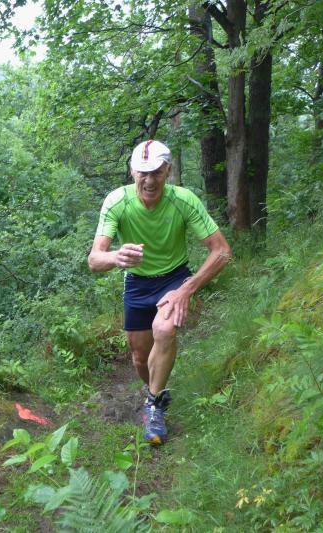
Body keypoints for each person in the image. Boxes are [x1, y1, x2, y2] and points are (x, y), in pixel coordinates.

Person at [87, 139, 232, 445]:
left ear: (168, 170)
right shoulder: (117, 201)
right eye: (143, 172)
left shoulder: (183, 200)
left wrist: (186, 290)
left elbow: (221, 251)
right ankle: (156, 392)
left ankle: (153, 407)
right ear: (132, 172)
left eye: (156, 172)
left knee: (163, 330)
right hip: (137, 282)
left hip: (174, 279)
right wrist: (115, 257)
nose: (149, 180)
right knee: (140, 357)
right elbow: (94, 260)